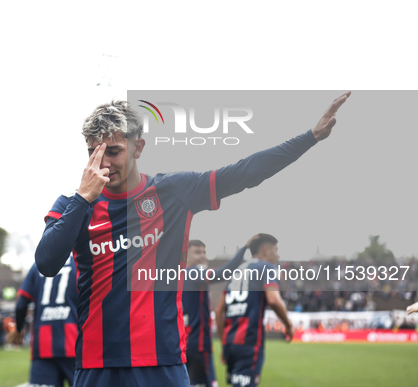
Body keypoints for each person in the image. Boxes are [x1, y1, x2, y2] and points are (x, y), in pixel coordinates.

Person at [35, 93, 350, 386]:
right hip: (95, 365)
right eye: (93, 152)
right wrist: (82, 199)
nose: (102, 163)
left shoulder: (172, 192)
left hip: (161, 361)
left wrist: (310, 138)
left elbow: (245, 172)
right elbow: (47, 263)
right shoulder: (72, 206)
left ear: (138, 148)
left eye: (113, 151)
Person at [215, 234, 294, 387]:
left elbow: (219, 311)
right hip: (249, 343)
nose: (278, 255)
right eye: (276, 250)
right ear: (265, 250)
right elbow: (273, 299)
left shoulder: (237, 271)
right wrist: (289, 325)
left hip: (230, 343)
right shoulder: (267, 267)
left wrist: (224, 344)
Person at [183, 236, 258, 387]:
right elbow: (224, 273)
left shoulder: (178, 275)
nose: (203, 256)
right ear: (186, 255)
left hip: (184, 342)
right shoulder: (196, 271)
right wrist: (244, 248)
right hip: (198, 343)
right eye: (198, 252)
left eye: (204, 252)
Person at [10, 255, 78, 387]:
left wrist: (19, 329)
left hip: (43, 345)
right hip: (74, 344)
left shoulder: (37, 267)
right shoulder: (79, 262)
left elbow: (21, 304)